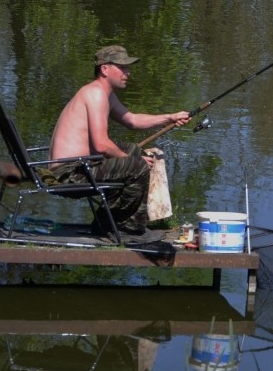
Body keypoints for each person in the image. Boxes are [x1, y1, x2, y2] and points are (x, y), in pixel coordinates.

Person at [48, 45, 191, 236]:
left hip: (80, 167)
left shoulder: (105, 94)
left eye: (127, 67)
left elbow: (132, 120)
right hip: (68, 174)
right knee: (137, 166)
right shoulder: (95, 94)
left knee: (133, 150)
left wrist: (170, 117)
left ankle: (113, 222)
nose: (128, 72)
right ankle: (122, 227)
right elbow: (101, 145)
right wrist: (133, 162)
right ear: (105, 69)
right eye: (122, 67)